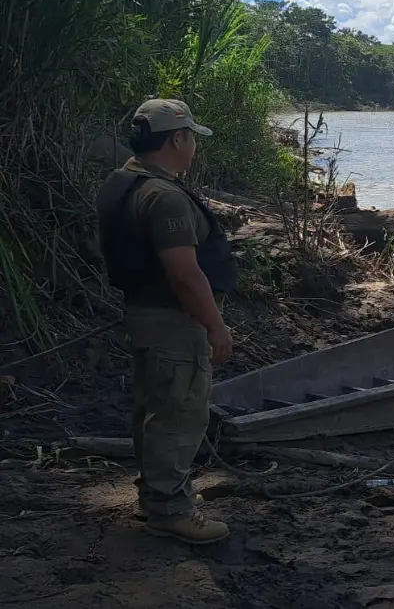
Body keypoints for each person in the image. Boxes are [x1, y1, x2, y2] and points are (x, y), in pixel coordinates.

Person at [95, 99, 237, 545]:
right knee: (179, 413)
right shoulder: (164, 196)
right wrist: (216, 325)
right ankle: (171, 510)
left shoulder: (124, 181)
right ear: (177, 139)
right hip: (172, 321)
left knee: (156, 409)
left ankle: (155, 497)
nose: (194, 145)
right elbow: (184, 272)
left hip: (146, 315)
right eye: (192, 137)